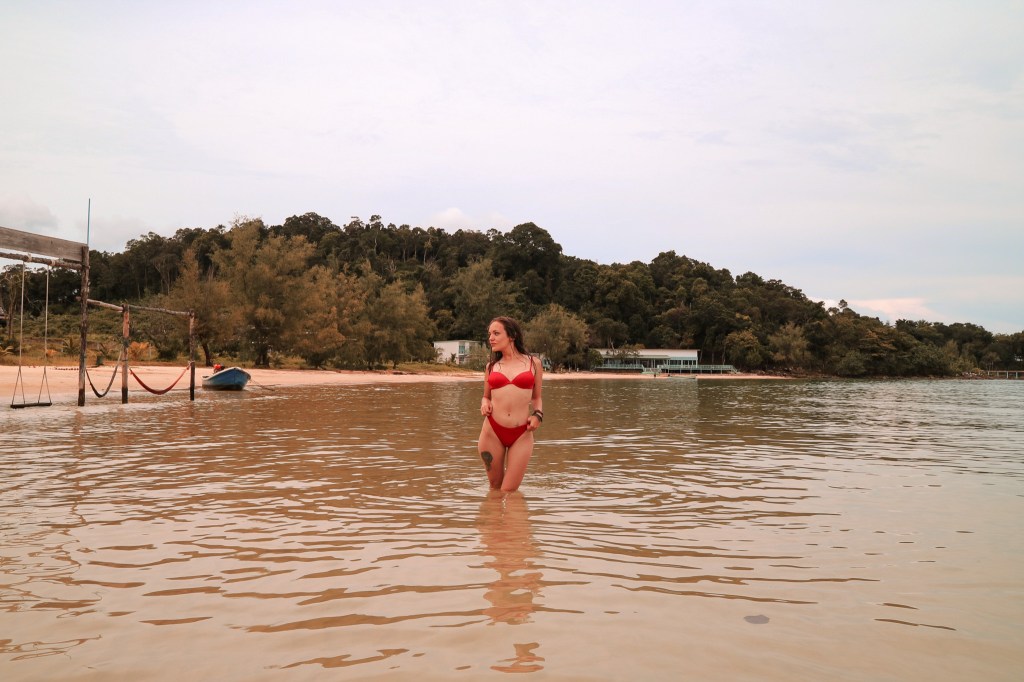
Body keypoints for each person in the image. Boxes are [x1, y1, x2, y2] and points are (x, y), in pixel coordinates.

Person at [478, 316, 543, 492]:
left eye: (496, 333)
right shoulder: (491, 367)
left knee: (509, 491)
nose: (491, 338)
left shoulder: (533, 364)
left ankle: (511, 521)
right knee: (494, 487)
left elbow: (537, 397)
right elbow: (486, 396)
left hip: (521, 433)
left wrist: (538, 415)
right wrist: (484, 403)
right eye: (489, 333)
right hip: (491, 432)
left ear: (512, 336)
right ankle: (493, 520)